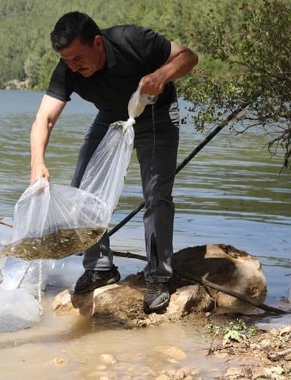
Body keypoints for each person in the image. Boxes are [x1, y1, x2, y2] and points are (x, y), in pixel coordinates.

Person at [29, 11, 198, 314]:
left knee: (156, 195)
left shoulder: (131, 40)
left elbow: (189, 57)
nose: (73, 67)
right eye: (67, 60)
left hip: (156, 114)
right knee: (81, 189)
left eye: (77, 58)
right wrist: (37, 163)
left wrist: (161, 75)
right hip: (110, 116)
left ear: (97, 42)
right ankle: (100, 267)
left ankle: (159, 276)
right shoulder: (67, 69)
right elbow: (45, 118)